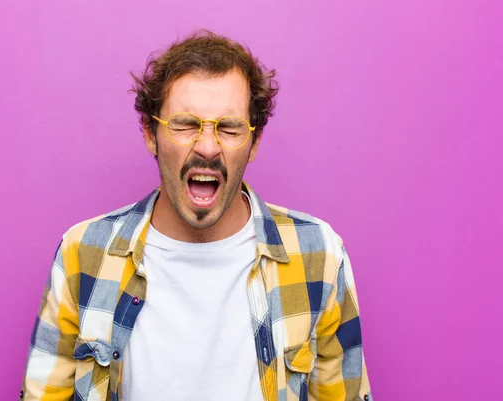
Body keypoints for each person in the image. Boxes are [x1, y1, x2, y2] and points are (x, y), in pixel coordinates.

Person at [20, 30, 372, 401]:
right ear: (150, 133)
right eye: (185, 124)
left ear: (254, 142)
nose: (207, 146)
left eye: (229, 127)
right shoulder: (82, 255)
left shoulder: (319, 256)